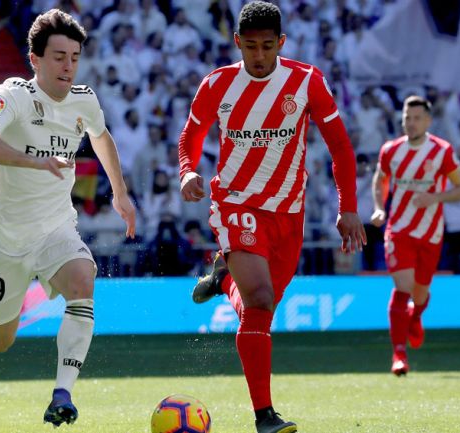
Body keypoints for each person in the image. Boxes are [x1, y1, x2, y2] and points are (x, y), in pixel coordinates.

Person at [177, 3, 366, 432]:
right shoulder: (218, 84)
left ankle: (223, 278)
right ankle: (264, 415)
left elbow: (339, 146)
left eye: (266, 46)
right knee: (261, 298)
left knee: (260, 309)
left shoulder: (306, 82)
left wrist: (347, 207)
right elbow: (191, 134)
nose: (258, 56)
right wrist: (189, 170)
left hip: (288, 213)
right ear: (237, 43)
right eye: (250, 46)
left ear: (281, 43)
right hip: (235, 204)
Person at [0, 9, 136, 427]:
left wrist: (120, 192)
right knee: (2, 340)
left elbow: (101, 136)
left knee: (83, 280)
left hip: (56, 227)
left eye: (74, 57)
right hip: (4, 236)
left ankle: (63, 393)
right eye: (59, 56)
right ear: (35, 59)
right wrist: (33, 161)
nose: (68, 66)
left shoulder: (84, 99)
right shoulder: (13, 95)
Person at [370, 95, 460, 376]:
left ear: (427, 121)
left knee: (421, 292)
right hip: (399, 229)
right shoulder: (390, 150)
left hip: (431, 233)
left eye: (416, 118)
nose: (410, 123)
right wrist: (379, 208)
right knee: (403, 287)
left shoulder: (442, 151)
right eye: (406, 118)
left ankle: (415, 317)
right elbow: (380, 180)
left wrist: (435, 196)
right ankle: (398, 355)